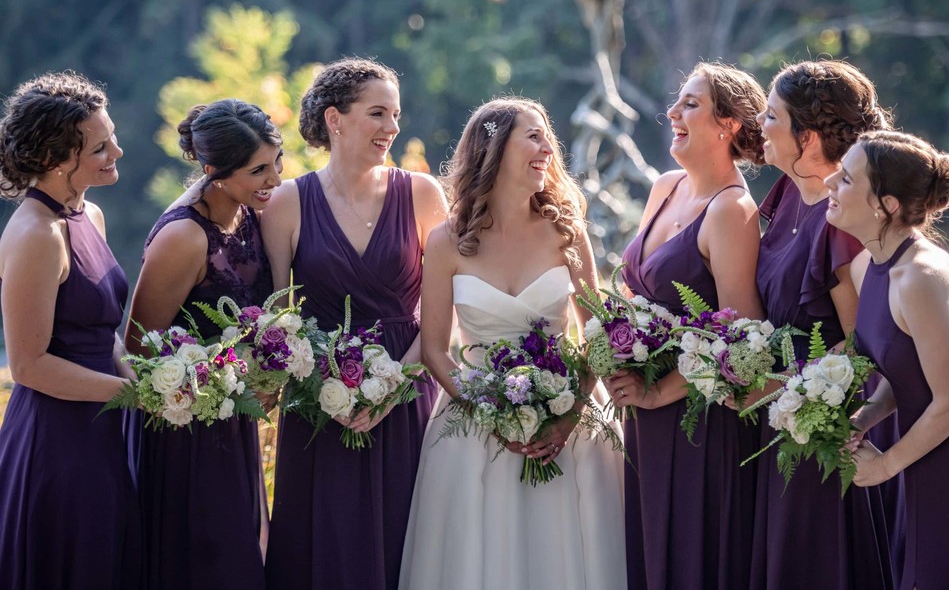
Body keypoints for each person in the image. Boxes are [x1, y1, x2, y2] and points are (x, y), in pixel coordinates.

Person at [398, 96, 625, 590]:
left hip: (570, 424)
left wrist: (567, 416)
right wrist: (489, 412)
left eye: (549, 137)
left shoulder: (567, 232)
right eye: (535, 136)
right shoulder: (446, 240)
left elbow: (595, 334)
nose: (549, 148)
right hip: (473, 425)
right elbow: (436, 349)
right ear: (494, 149)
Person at [262, 58, 448, 590]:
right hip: (317, 402)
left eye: (395, 114)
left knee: (405, 538)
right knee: (325, 541)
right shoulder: (285, 204)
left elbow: (441, 314)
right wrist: (326, 390)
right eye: (377, 114)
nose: (392, 127)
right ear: (335, 119)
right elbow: (279, 321)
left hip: (408, 389)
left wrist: (390, 388)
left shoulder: (422, 194)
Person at [831, 130, 949, 590]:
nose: (829, 187)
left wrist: (883, 465)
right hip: (925, 464)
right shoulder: (871, 266)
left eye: (845, 179)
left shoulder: (919, 277)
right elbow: (907, 372)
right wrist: (863, 418)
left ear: (887, 204)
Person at [604, 62, 765, 590]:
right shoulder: (666, 187)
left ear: (729, 125)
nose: (672, 112)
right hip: (645, 419)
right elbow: (639, 292)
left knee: (692, 559)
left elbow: (743, 340)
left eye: (690, 104)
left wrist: (661, 393)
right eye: (678, 101)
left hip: (699, 422)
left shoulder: (731, 211)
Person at [750, 60, 896, 590]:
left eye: (771, 116)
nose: (759, 125)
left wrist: (807, 399)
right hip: (783, 414)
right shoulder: (790, 192)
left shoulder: (846, 217)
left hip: (824, 427)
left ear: (806, 137)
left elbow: (866, 344)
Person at [125, 99, 283, 590]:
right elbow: (138, 348)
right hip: (183, 430)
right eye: (258, 169)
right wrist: (212, 383)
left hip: (232, 422)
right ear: (214, 171)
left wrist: (268, 374)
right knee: (206, 561)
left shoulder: (251, 213)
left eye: (278, 161)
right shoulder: (185, 238)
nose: (274, 179)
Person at [0, 71, 139, 589]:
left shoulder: (91, 215)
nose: (117, 153)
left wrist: (146, 378)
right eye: (101, 147)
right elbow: (29, 365)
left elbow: (103, 330)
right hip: (57, 442)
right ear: (57, 160)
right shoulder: (36, 234)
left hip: (103, 429)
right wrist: (132, 393)